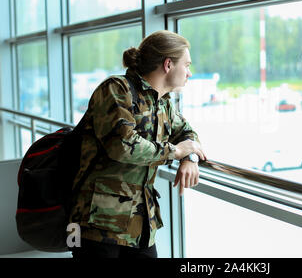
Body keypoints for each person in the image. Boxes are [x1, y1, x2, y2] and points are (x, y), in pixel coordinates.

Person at [68, 30, 206, 258]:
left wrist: (189, 158)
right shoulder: (116, 90)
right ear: (168, 64)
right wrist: (175, 152)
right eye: (187, 65)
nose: (190, 73)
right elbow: (122, 145)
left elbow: (187, 132)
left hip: (140, 225)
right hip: (95, 225)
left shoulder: (162, 104)